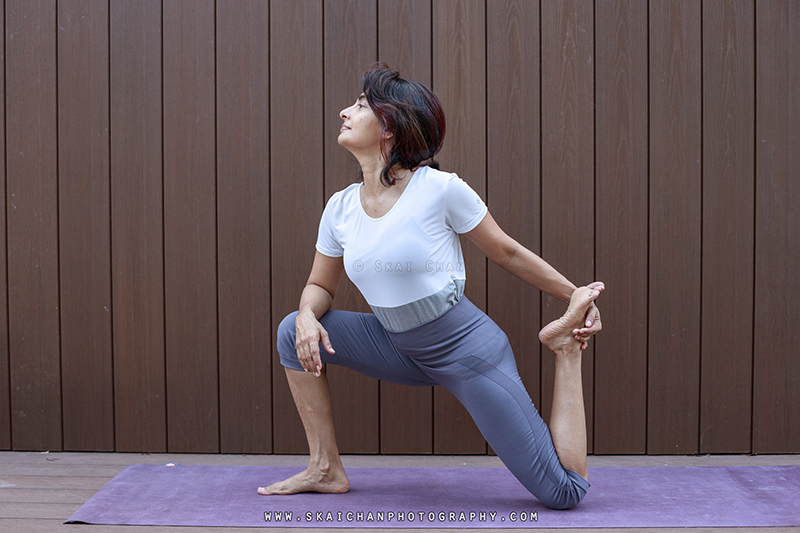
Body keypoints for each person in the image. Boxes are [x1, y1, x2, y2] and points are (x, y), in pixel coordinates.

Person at [258, 63, 604, 510]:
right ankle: (325, 468)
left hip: (465, 350)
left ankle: (565, 352)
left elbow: (508, 252)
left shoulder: (439, 190)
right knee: (291, 329)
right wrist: (307, 314)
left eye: (360, 105)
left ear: (390, 125)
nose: (344, 111)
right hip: (396, 345)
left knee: (563, 493)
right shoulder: (340, 208)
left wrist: (573, 296)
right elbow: (319, 285)